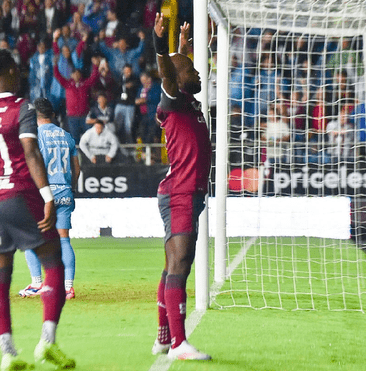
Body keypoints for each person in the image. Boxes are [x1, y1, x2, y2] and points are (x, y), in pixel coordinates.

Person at [0, 48, 74, 371]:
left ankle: (8, 353)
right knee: (53, 262)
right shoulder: (21, 108)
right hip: (20, 194)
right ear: (12, 70)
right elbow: (30, 152)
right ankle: (47, 343)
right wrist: (48, 196)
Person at [150, 15, 212, 361]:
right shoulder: (172, 99)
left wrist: (183, 48)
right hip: (180, 193)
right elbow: (168, 71)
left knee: (173, 263)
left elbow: (177, 68)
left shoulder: (187, 101)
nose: (199, 72)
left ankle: (163, 337)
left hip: (189, 193)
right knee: (180, 264)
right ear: (178, 78)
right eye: (193, 68)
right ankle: (178, 344)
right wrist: (163, 46)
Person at [19, 97, 80, 301]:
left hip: (44, 194)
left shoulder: (35, 136)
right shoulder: (67, 136)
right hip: (64, 191)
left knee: (31, 239)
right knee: (64, 239)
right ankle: (68, 287)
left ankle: (37, 283)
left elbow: (34, 165)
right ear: (51, 114)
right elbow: (76, 169)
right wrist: (69, 189)